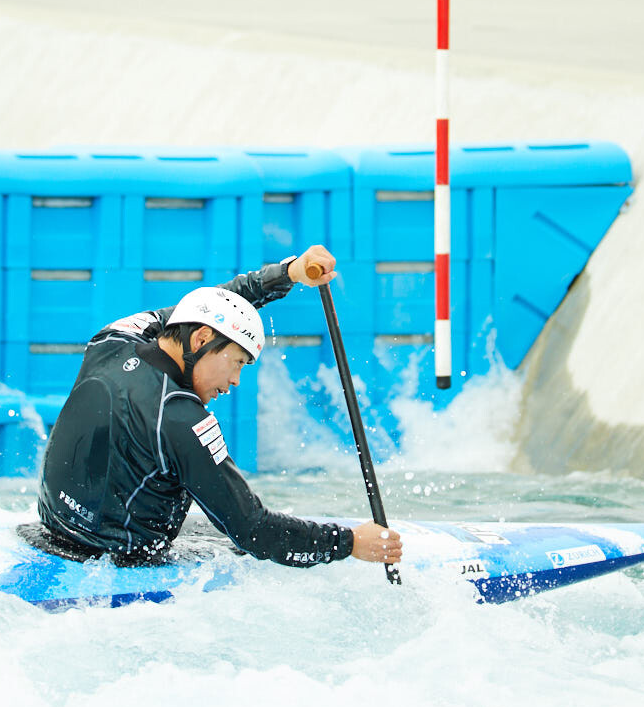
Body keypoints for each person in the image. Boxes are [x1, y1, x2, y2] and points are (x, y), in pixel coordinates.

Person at [28, 244, 403, 571]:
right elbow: (254, 531)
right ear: (203, 339)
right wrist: (349, 543)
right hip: (118, 562)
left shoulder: (115, 338)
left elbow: (205, 306)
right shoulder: (181, 419)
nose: (236, 380)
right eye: (238, 361)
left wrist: (288, 273)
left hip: (50, 530)